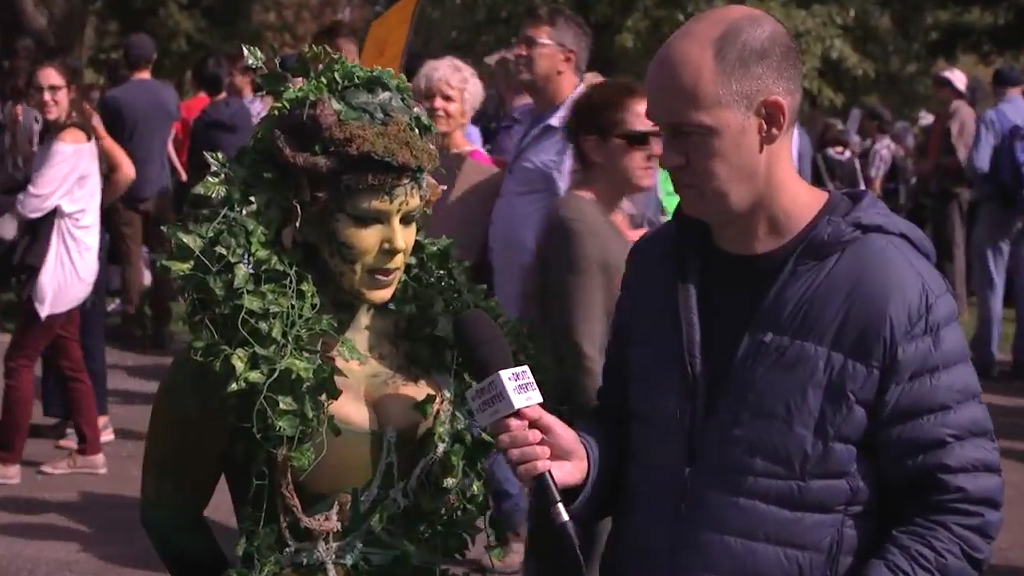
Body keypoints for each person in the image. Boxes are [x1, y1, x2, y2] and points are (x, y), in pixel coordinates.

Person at [492, 6, 1003, 576]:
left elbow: (955, 510)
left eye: (689, 133)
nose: (666, 155)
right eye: (660, 131)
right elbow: (631, 434)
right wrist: (588, 460)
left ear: (769, 120)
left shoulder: (888, 285)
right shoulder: (657, 265)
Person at [139, 48, 536, 575]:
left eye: (411, 218)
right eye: (370, 219)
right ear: (304, 215)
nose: (397, 244)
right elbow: (169, 518)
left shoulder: (439, 328)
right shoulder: (238, 356)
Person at [525, 78, 661, 576]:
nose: (654, 151)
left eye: (657, 135)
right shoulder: (575, 222)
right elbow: (585, 353)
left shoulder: (612, 217)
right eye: (637, 138)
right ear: (594, 145)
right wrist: (610, 448)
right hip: (584, 442)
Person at [0, 57, 109, 483]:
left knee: (19, 360)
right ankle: (90, 450)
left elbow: (33, 201)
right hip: (72, 263)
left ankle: (7, 460)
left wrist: (13, 207)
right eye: (39, 90)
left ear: (72, 91)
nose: (45, 97)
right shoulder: (66, 133)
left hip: (60, 267)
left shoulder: (68, 140)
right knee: (68, 358)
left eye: (54, 90)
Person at [41, 88, 137, 451]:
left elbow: (125, 172)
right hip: (72, 240)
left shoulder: (87, 130)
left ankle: (96, 419)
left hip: (82, 241)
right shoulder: (63, 132)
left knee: (84, 332)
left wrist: (94, 204)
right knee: (67, 333)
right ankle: (77, 415)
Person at [99, 32, 182, 349]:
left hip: (127, 186)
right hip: (161, 185)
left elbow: (107, 141)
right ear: (154, 58)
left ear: (125, 59)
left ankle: (132, 322)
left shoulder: (114, 99)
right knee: (163, 257)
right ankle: (162, 323)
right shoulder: (169, 94)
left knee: (132, 258)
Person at [968, 64, 1024, 379]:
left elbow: (978, 164)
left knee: (991, 282)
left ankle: (987, 357)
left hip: (997, 209)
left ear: (996, 87)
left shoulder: (992, 117)